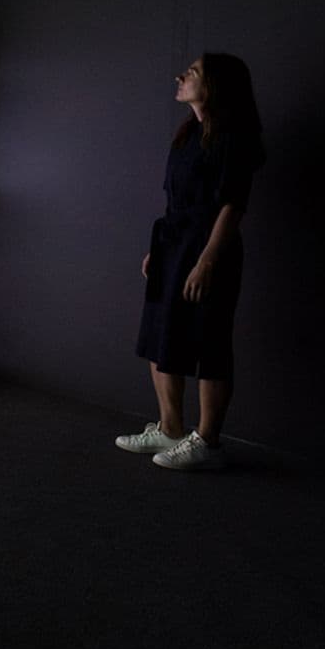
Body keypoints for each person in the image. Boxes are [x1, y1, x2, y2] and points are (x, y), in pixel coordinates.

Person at [115, 53, 266, 471]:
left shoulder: (234, 138)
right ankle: (170, 428)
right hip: (173, 247)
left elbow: (233, 206)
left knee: (210, 342)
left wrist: (207, 261)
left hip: (207, 251)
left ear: (216, 86)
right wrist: (158, 251)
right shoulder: (187, 136)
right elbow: (176, 201)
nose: (180, 76)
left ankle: (207, 441)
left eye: (193, 72)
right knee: (161, 335)